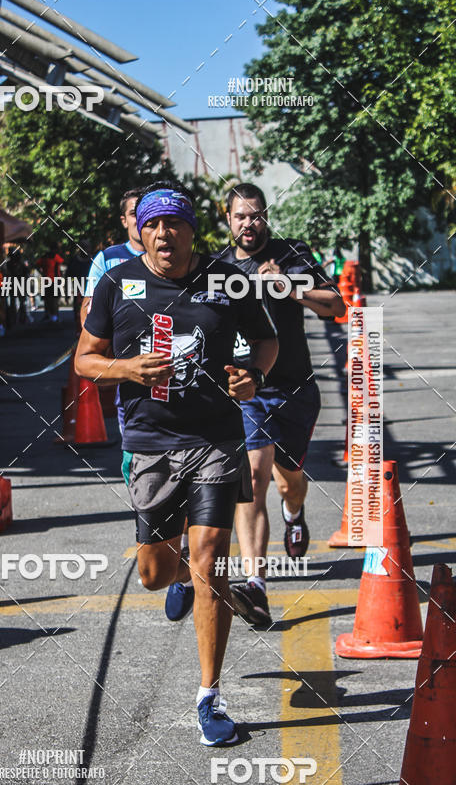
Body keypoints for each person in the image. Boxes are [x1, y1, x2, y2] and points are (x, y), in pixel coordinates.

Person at [75, 182, 278, 745]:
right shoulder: (116, 282)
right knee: (154, 574)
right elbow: (85, 360)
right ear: (140, 231)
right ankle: (189, 574)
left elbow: (266, 342)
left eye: (176, 224)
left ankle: (210, 697)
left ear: (192, 230)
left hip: (215, 439)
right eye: (154, 225)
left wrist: (254, 376)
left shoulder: (225, 279)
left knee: (210, 559)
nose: (165, 233)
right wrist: (126, 369)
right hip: (151, 444)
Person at [216, 183, 345, 627]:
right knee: (253, 477)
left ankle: (294, 512)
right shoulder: (217, 268)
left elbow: (334, 305)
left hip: (295, 389)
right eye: (240, 216)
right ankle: (256, 586)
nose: (248, 224)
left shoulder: (292, 254)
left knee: (290, 482)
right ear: (228, 219)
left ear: (266, 216)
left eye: (255, 215)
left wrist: (290, 287)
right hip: (248, 389)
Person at [79, 188, 145, 436]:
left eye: (145, 211)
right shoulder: (108, 259)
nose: (141, 218)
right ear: (124, 220)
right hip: (127, 371)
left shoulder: (170, 258)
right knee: (135, 448)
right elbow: (88, 311)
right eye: (134, 213)